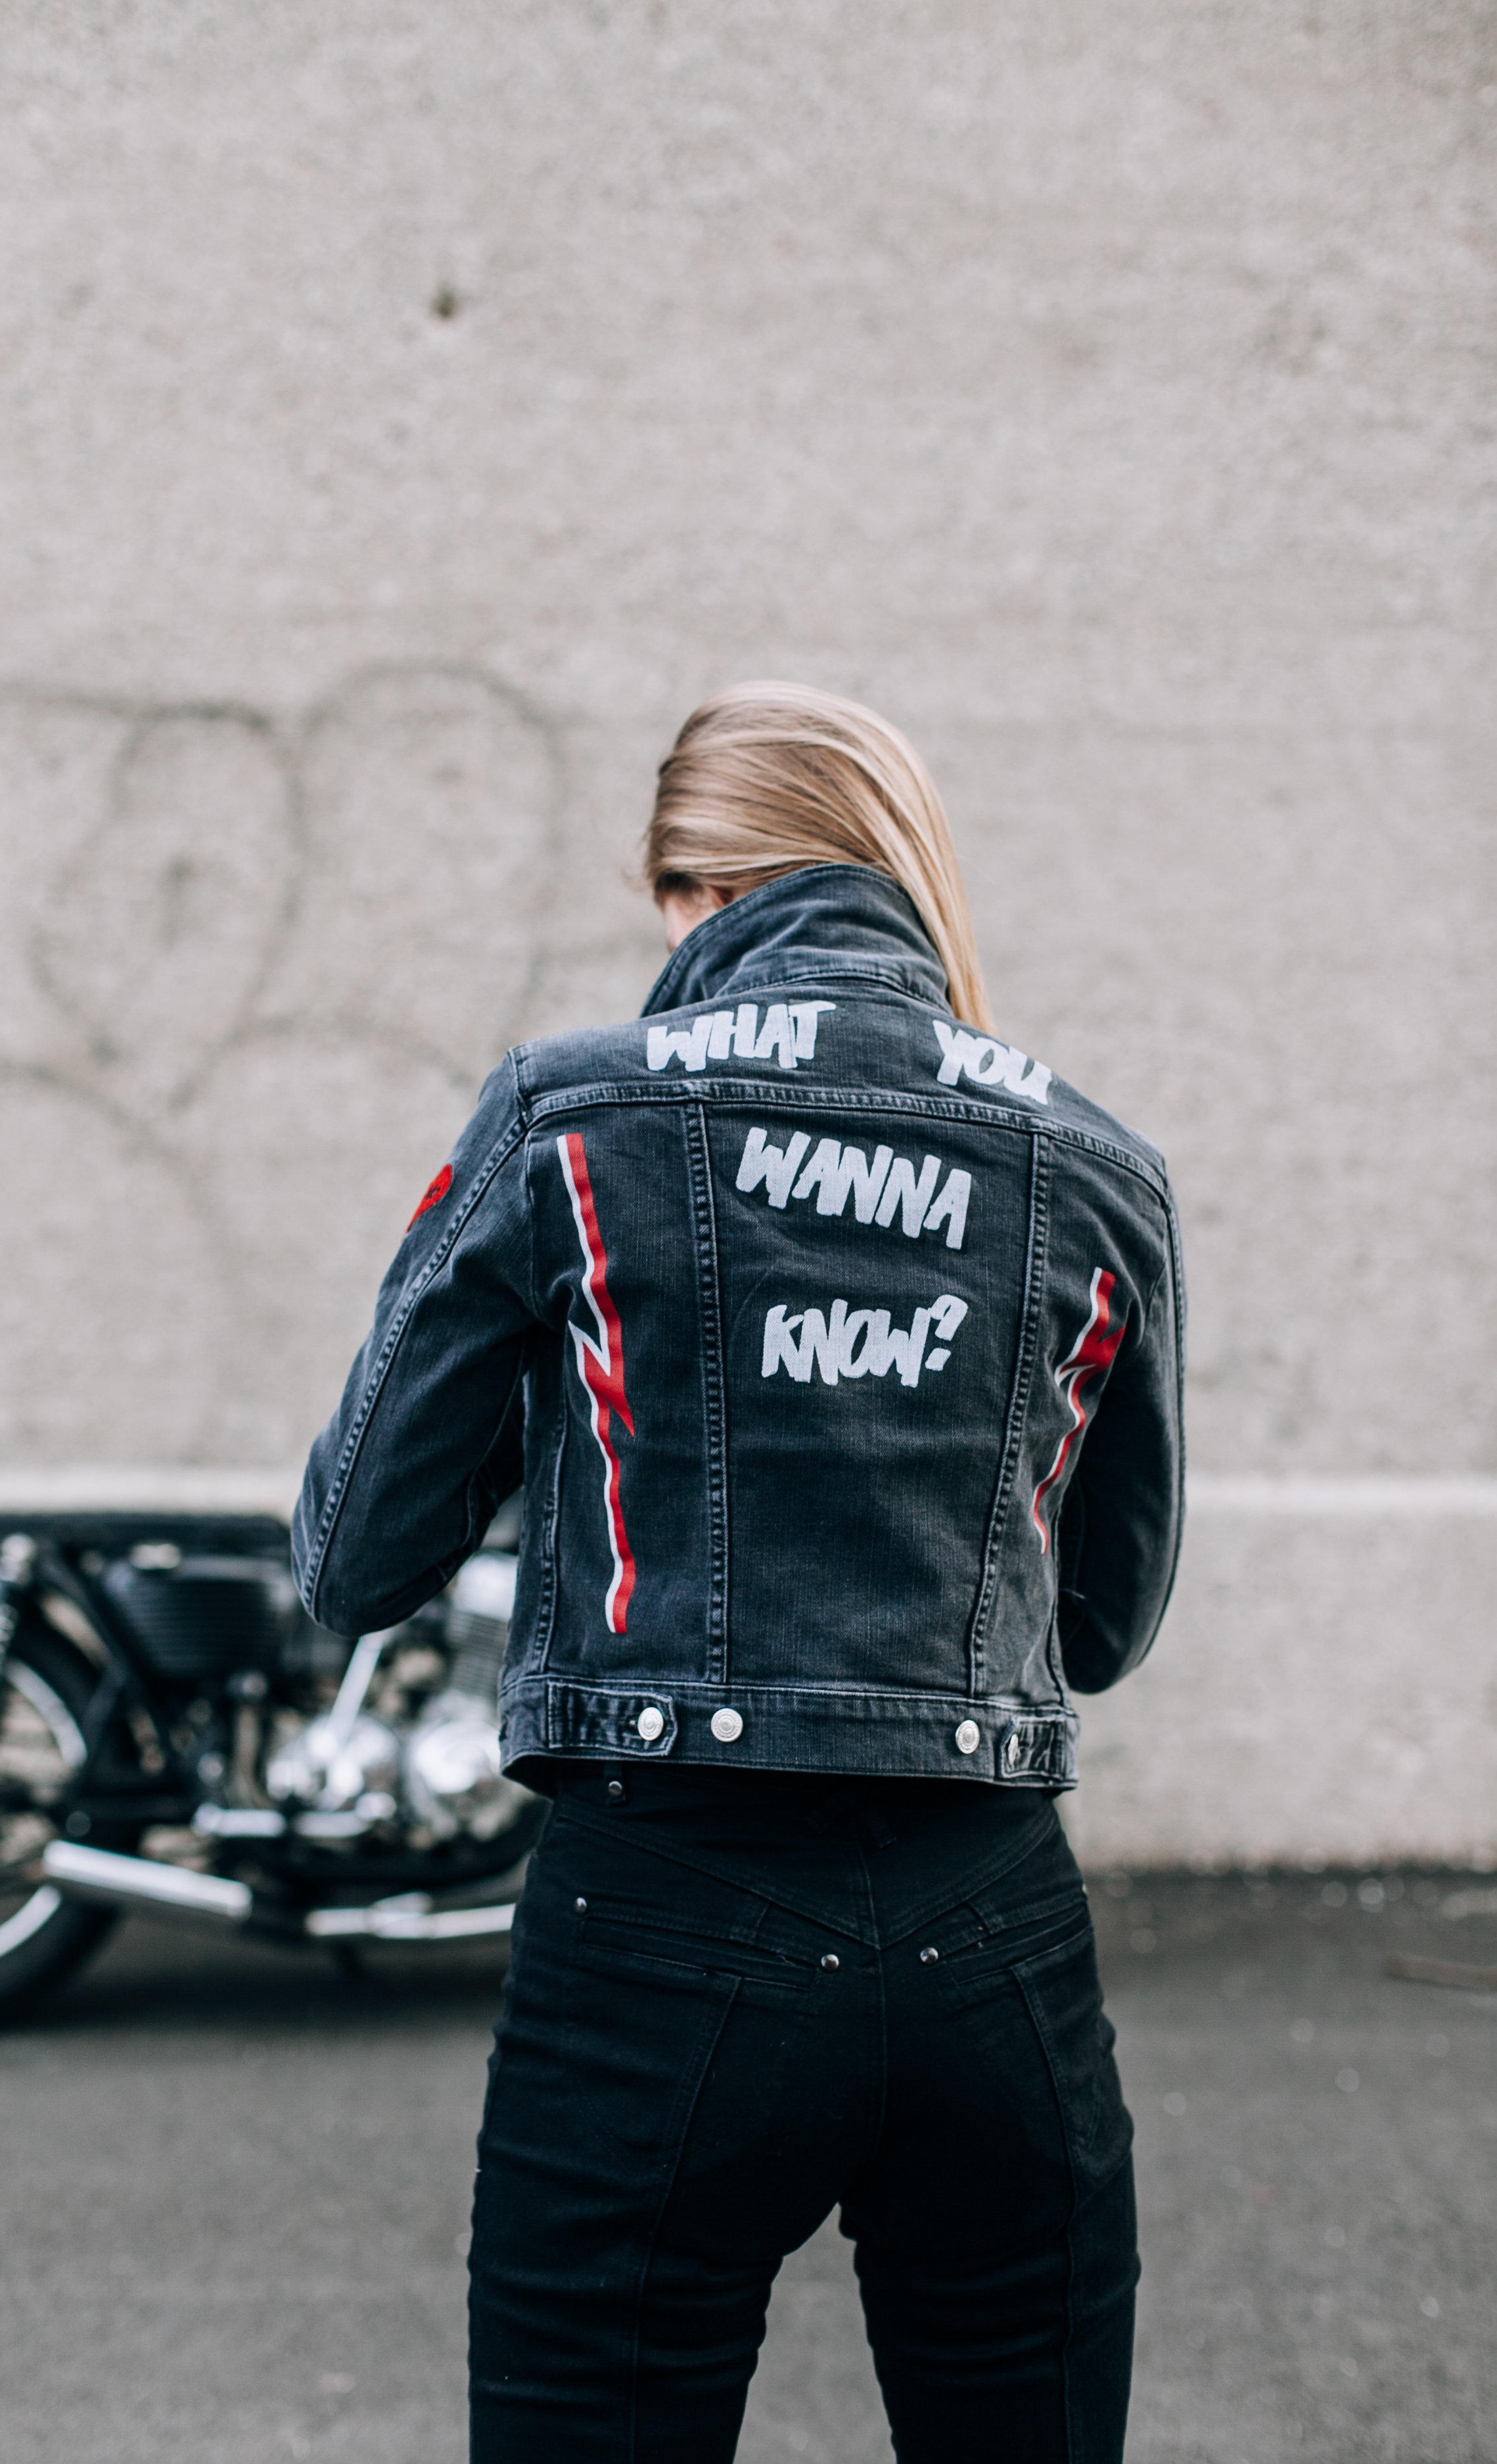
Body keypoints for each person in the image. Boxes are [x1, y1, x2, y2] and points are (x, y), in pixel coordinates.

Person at [292, 682, 1184, 2463]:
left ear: (696, 892)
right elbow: (1103, 1621)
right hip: (996, 1944)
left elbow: (354, 1555)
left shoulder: (569, 1115)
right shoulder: (1094, 1164)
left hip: (660, 1927)